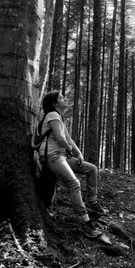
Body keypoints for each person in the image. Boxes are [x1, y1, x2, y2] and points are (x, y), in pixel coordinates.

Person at [39, 90, 107, 238]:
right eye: (61, 98)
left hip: (62, 156)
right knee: (74, 184)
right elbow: (60, 139)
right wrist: (70, 151)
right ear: (54, 103)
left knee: (92, 169)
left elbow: (68, 139)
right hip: (53, 157)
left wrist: (79, 154)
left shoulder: (60, 118)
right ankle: (85, 223)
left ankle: (92, 202)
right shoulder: (52, 115)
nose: (65, 99)